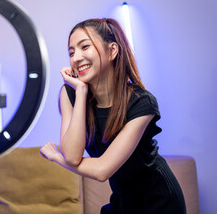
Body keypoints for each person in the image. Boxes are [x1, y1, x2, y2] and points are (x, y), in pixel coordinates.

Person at [40, 18, 186, 213]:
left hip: (159, 203)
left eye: (85, 47)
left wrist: (57, 158)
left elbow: (102, 170)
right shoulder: (70, 94)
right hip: (122, 201)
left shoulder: (141, 102)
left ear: (112, 51)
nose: (76, 58)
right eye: (71, 52)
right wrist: (81, 92)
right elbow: (73, 156)